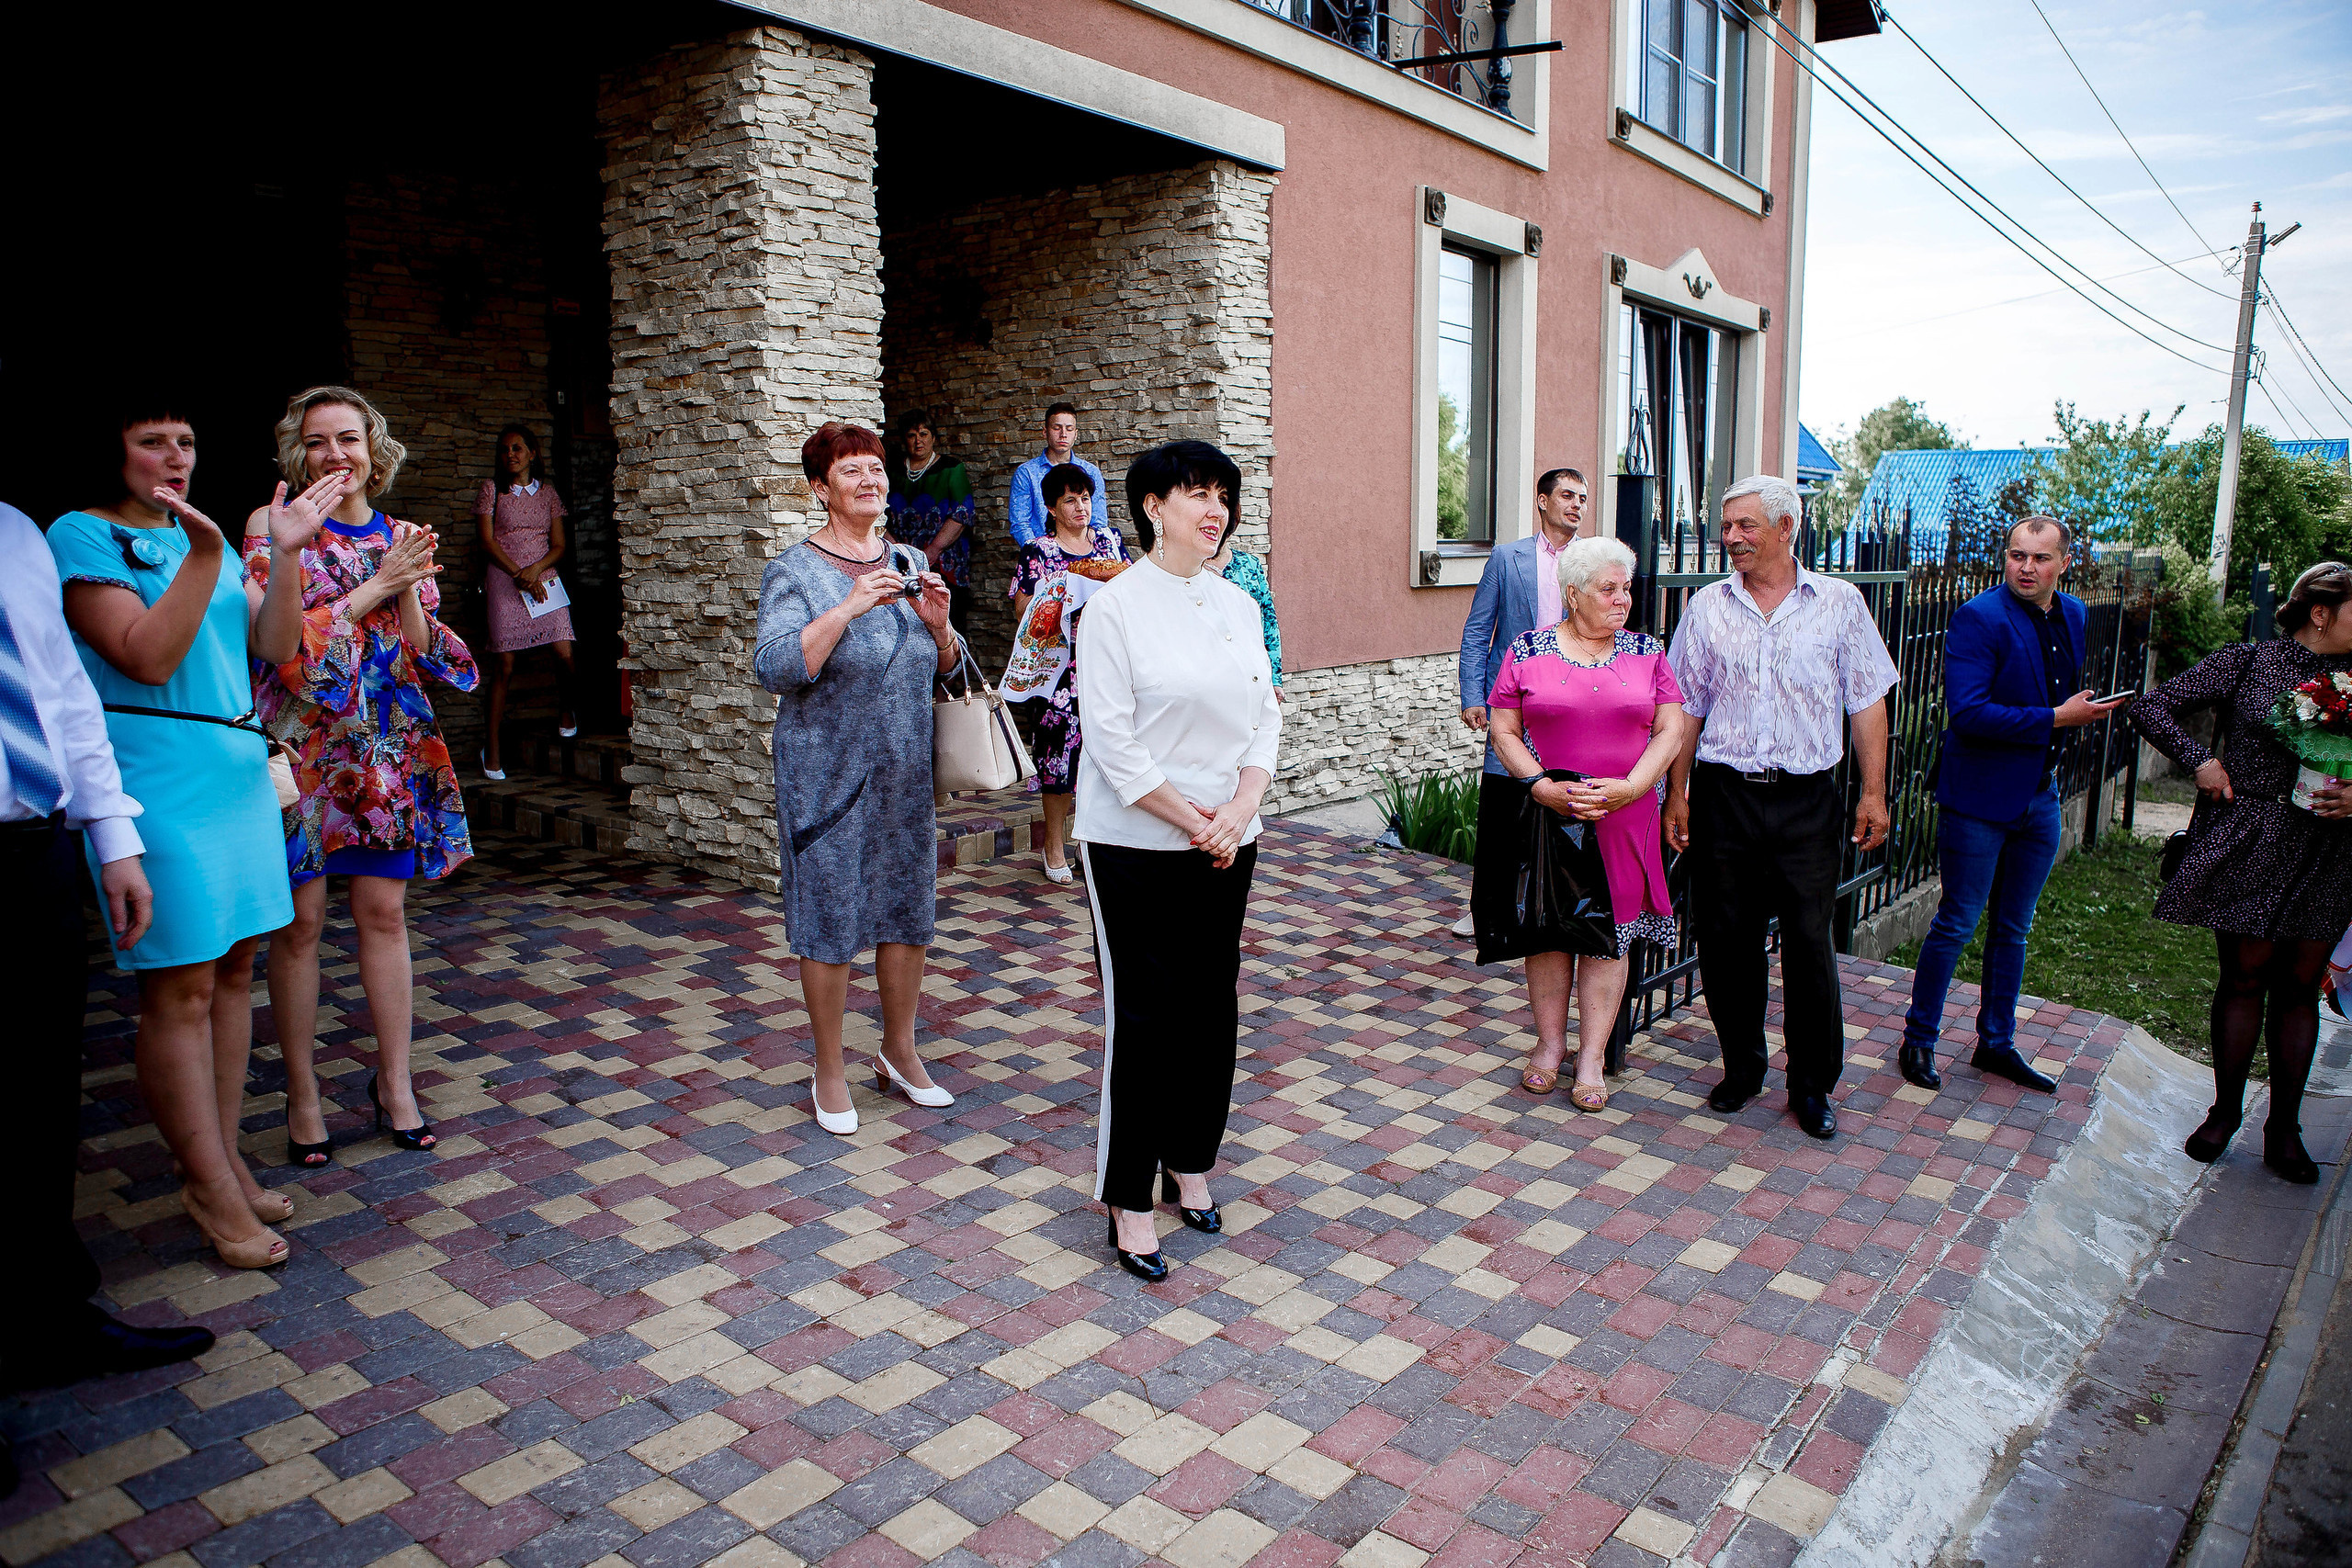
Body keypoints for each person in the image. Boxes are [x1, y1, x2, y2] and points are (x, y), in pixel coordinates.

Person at [48, 405, 333, 1269]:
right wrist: (209, 554)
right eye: (151, 441)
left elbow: (277, 644)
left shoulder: (197, 534)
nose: (174, 457)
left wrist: (283, 554)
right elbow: (143, 655)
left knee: (235, 968)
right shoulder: (80, 534)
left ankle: (225, 1158)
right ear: (114, 452)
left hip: (235, 770)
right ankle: (205, 1185)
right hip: (156, 780)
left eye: (187, 442)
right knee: (177, 988)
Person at [4, 497, 223, 1386]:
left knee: (37, 1096)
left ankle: (46, 1318)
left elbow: (58, 689)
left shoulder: (13, 534)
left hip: (32, 846)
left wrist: (112, 834)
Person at [247, 387, 476, 1167]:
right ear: (297, 453)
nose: (335, 454)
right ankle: (303, 1095)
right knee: (300, 923)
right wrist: (373, 586)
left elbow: (419, 650)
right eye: (317, 441)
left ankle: (395, 1083)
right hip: (306, 746)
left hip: (383, 749)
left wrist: (405, 584)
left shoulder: (403, 532)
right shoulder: (273, 529)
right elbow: (282, 650)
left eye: (349, 437)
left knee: (383, 914)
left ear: (374, 449)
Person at [1075, 440, 1281, 1282]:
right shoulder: (1114, 608)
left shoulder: (1236, 603)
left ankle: (1188, 1158)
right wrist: (1193, 820)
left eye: (1223, 495)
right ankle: (1127, 1195)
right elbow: (1115, 744)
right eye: (1196, 493)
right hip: (1136, 844)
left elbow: (1266, 713)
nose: (1215, 508)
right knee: (1148, 1016)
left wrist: (1237, 811)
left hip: (1229, 837)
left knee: (1210, 1008)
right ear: (1153, 506)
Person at [1664, 474, 1898, 1142]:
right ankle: (1743, 1066)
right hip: (1726, 796)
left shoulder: (1840, 604)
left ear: (1786, 528)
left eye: (1744, 526)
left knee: (1808, 944)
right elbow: (1687, 704)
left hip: (1806, 801)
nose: (1730, 538)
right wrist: (1678, 791)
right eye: (1727, 526)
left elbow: (1867, 700)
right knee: (1725, 941)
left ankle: (1812, 1084)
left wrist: (1874, 790)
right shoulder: (1707, 608)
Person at [754, 422, 960, 1136]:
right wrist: (846, 607)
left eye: (876, 468)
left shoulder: (906, 558)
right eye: (851, 471)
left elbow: (950, 670)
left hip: (904, 773)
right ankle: (829, 1067)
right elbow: (777, 667)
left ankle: (899, 1052)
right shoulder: (794, 571)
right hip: (825, 776)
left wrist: (938, 628)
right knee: (830, 919)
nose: (870, 479)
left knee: (907, 908)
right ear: (821, 488)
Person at [2128, 561, 2352, 1184]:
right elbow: (2153, 706)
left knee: (2301, 986)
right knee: (2245, 974)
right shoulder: (2249, 662)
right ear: (2321, 612)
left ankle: (2284, 1129)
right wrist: (2201, 760)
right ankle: (2225, 1112)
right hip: (2250, 837)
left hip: (2330, 849)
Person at [1898, 517, 2127, 1093]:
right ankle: (1918, 1040)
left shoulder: (2073, 614)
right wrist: (2057, 718)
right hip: (1978, 800)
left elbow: (2055, 693)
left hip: (2040, 796)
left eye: (2041, 558)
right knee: (1957, 922)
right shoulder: (1980, 617)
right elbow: (1968, 714)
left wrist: (2072, 717)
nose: (2027, 567)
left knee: (2014, 929)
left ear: (2064, 563)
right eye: (2017, 555)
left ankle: (1996, 1044)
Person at [1482, 536, 1686, 1110]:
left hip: (1625, 816)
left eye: (1626, 588)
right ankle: (1549, 1046)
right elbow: (1503, 729)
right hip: (1552, 818)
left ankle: (1592, 1055)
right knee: (1549, 931)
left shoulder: (1648, 652)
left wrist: (1634, 786)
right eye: (1609, 589)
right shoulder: (1527, 649)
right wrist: (1540, 787)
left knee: (1608, 939)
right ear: (1573, 594)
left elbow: (1670, 730)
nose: (1624, 600)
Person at [1454, 468, 1592, 938]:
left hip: (1568, 706)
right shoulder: (1507, 558)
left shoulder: (1591, 563)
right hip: (1511, 702)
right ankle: (1487, 915)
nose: (1576, 504)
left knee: (1559, 805)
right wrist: (1473, 695)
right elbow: (1478, 631)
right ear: (1542, 500)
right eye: (1567, 495)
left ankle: (1549, 909)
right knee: (1501, 811)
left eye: (1582, 498)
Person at [1011, 462, 1130, 884]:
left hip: (1108, 665)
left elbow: (1133, 590)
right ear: (1051, 507)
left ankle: (1092, 842)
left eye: (1085, 498)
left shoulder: (1111, 545)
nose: (1081, 507)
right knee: (1060, 758)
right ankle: (1054, 845)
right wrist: (1058, 596)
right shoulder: (1039, 552)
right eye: (1070, 500)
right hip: (1060, 671)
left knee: (1106, 754)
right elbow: (1022, 610)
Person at [474, 424, 577, 780]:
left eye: (518, 448)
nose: (511, 455)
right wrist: (520, 574)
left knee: (564, 653)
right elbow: (487, 542)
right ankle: (492, 746)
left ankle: (567, 710)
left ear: (533, 453)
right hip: (505, 581)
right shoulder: (492, 491)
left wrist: (535, 571)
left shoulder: (548, 495)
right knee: (503, 666)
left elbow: (560, 546)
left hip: (543, 578)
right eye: (504, 450)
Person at [886, 409, 977, 634]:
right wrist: (897, 550)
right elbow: (880, 514)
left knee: (946, 628)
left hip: (943, 563)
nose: (918, 441)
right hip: (901, 563)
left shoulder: (951, 469)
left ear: (933, 438)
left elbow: (962, 513)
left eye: (924, 434)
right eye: (911, 436)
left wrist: (932, 551)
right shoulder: (893, 471)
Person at [1008, 403, 1114, 552]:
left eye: (1069, 429)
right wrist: (1039, 552)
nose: (1063, 434)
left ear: (1076, 434)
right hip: (1041, 556)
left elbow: (1098, 521)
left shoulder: (1090, 472)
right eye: (1057, 428)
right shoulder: (1026, 473)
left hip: (1085, 554)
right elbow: (1020, 523)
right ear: (1045, 432)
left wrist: (1087, 551)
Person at [1212, 536, 1284, 700]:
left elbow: (1269, 622)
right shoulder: (1190, 571)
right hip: (1209, 680)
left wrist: (1275, 679)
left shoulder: (1249, 565)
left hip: (1251, 677)